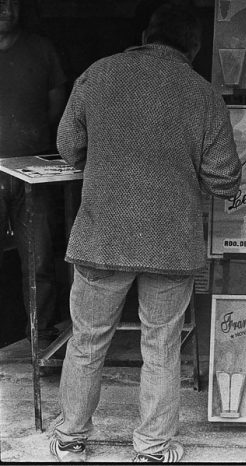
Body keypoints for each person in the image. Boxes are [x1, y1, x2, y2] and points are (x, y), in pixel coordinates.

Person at [50, 4, 241, 463]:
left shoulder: (96, 76)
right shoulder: (202, 94)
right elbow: (225, 179)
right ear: (193, 48)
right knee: (161, 345)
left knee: (87, 339)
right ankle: (153, 448)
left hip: (102, 237)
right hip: (171, 245)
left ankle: (71, 438)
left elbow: (67, 146)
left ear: (144, 34)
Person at [0, 0, 66, 349]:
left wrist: (38, 142)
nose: (6, 9)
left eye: (12, 3)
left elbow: (57, 102)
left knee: (39, 257)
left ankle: (41, 341)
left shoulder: (41, 50)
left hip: (32, 171)